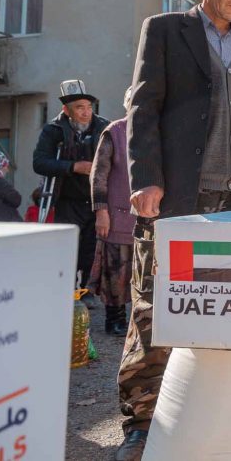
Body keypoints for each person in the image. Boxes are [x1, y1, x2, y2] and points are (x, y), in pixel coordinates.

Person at [116, 0, 231, 461]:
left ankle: (212, 414)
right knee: (157, 306)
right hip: (183, 195)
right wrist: (146, 178)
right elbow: (143, 106)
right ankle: (142, 423)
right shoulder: (166, 31)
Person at [33, 79, 110, 293]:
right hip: (67, 200)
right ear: (66, 110)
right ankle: (64, 291)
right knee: (68, 249)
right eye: (79, 108)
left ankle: (86, 292)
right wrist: (73, 166)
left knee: (91, 249)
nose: (86, 113)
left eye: (88, 107)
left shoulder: (103, 126)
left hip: (96, 199)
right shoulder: (54, 130)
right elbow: (39, 162)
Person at [90, 87, 137, 337]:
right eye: (133, 100)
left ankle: (137, 321)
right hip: (117, 214)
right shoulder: (114, 131)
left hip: (147, 217)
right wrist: (101, 211)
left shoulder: (157, 131)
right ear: (126, 103)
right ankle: (115, 318)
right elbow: (98, 175)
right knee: (115, 271)